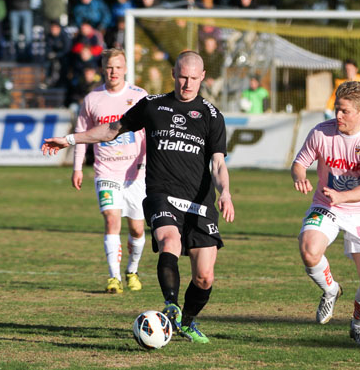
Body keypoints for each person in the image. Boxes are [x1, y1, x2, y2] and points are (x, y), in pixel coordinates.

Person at [42, 50, 235, 343]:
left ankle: (187, 321)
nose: (187, 84)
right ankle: (171, 307)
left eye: (194, 78)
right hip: (162, 194)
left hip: (200, 201)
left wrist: (227, 193)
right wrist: (69, 139)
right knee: (170, 240)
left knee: (204, 277)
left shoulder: (211, 115)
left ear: (203, 77)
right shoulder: (153, 106)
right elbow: (111, 130)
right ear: (173, 73)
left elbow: (218, 162)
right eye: (183, 76)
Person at [291, 81, 360, 347]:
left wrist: (343, 196)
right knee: (309, 249)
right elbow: (299, 163)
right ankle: (331, 290)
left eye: (344, 111)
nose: (338, 116)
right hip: (327, 205)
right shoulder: (321, 132)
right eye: (337, 109)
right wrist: (299, 176)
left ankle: (358, 327)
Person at [71, 49, 148, 293]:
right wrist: (77, 168)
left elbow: (149, 134)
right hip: (106, 171)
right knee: (111, 219)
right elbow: (81, 135)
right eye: (109, 67)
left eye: (117, 66)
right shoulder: (92, 99)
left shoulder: (139, 96)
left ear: (125, 68)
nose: (113, 71)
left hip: (136, 173)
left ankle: (132, 271)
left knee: (137, 228)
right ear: (102, 69)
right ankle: (113, 278)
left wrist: (150, 163)